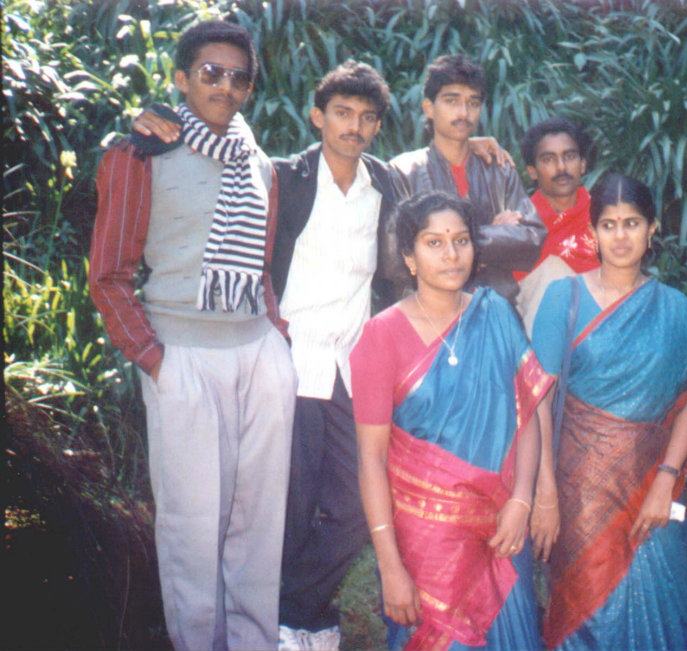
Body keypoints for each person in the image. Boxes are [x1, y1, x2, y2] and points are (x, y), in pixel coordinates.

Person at [131, 61, 515, 651]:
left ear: (378, 126)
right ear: (318, 117)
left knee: (356, 504)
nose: (354, 126)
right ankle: (284, 624)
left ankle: (296, 611)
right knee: (285, 505)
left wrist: (473, 141)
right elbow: (218, 173)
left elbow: (435, 217)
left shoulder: (384, 184)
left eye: (367, 117)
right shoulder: (284, 177)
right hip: (286, 360)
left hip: (352, 365)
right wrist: (153, 123)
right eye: (342, 113)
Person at [88, 20, 296, 650]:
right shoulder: (139, 155)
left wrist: (277, 339)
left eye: (239, 77)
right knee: (192, 527)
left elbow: (261, 267)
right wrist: (154, 360)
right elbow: (109, 274)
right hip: (183, 358)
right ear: (181, 78)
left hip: (258, 356)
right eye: (211, 73)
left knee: (259, 523)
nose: (225, 87)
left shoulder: (260, 164)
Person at [530, 173, 687, 650]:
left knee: (663, 602)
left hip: (651, 493)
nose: (620, 237)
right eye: (609, 224)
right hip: (579, 498)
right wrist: (545, 492)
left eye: (632, 223)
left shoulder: (676, 310)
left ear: (652, 228)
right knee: (587, 616)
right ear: (592, 232)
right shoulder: (564, 298)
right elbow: (538, 399)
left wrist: (665, 480)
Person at [349, 192, 552, 650]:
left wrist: (522, 499)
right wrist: (390, 566)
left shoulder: (496, 315)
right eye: (434, 243)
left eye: (461, 240)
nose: (451, 254)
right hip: (427, 544)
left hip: (501, 528)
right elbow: (371, 459)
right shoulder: (381, 336)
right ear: (409, 257)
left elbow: (526, 417)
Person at [390, 54, 546, 304]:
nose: (463, 112)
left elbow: (532, 239)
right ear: (429, 108)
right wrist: (495, 235)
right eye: (452, 101)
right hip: (431, 310)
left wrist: (443, 243)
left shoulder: (498, 168)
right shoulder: (404, 171)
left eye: (473, 102)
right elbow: (396, 256)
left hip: (497, 304)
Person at [515, 117, 598, 332]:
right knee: (553, 273)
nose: (561, 167)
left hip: (601, 327)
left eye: (569, 156)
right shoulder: (520, 224)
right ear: (532, 171)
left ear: (582, 164)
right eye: (548, 159)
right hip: (535, 332)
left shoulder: (603, 217)